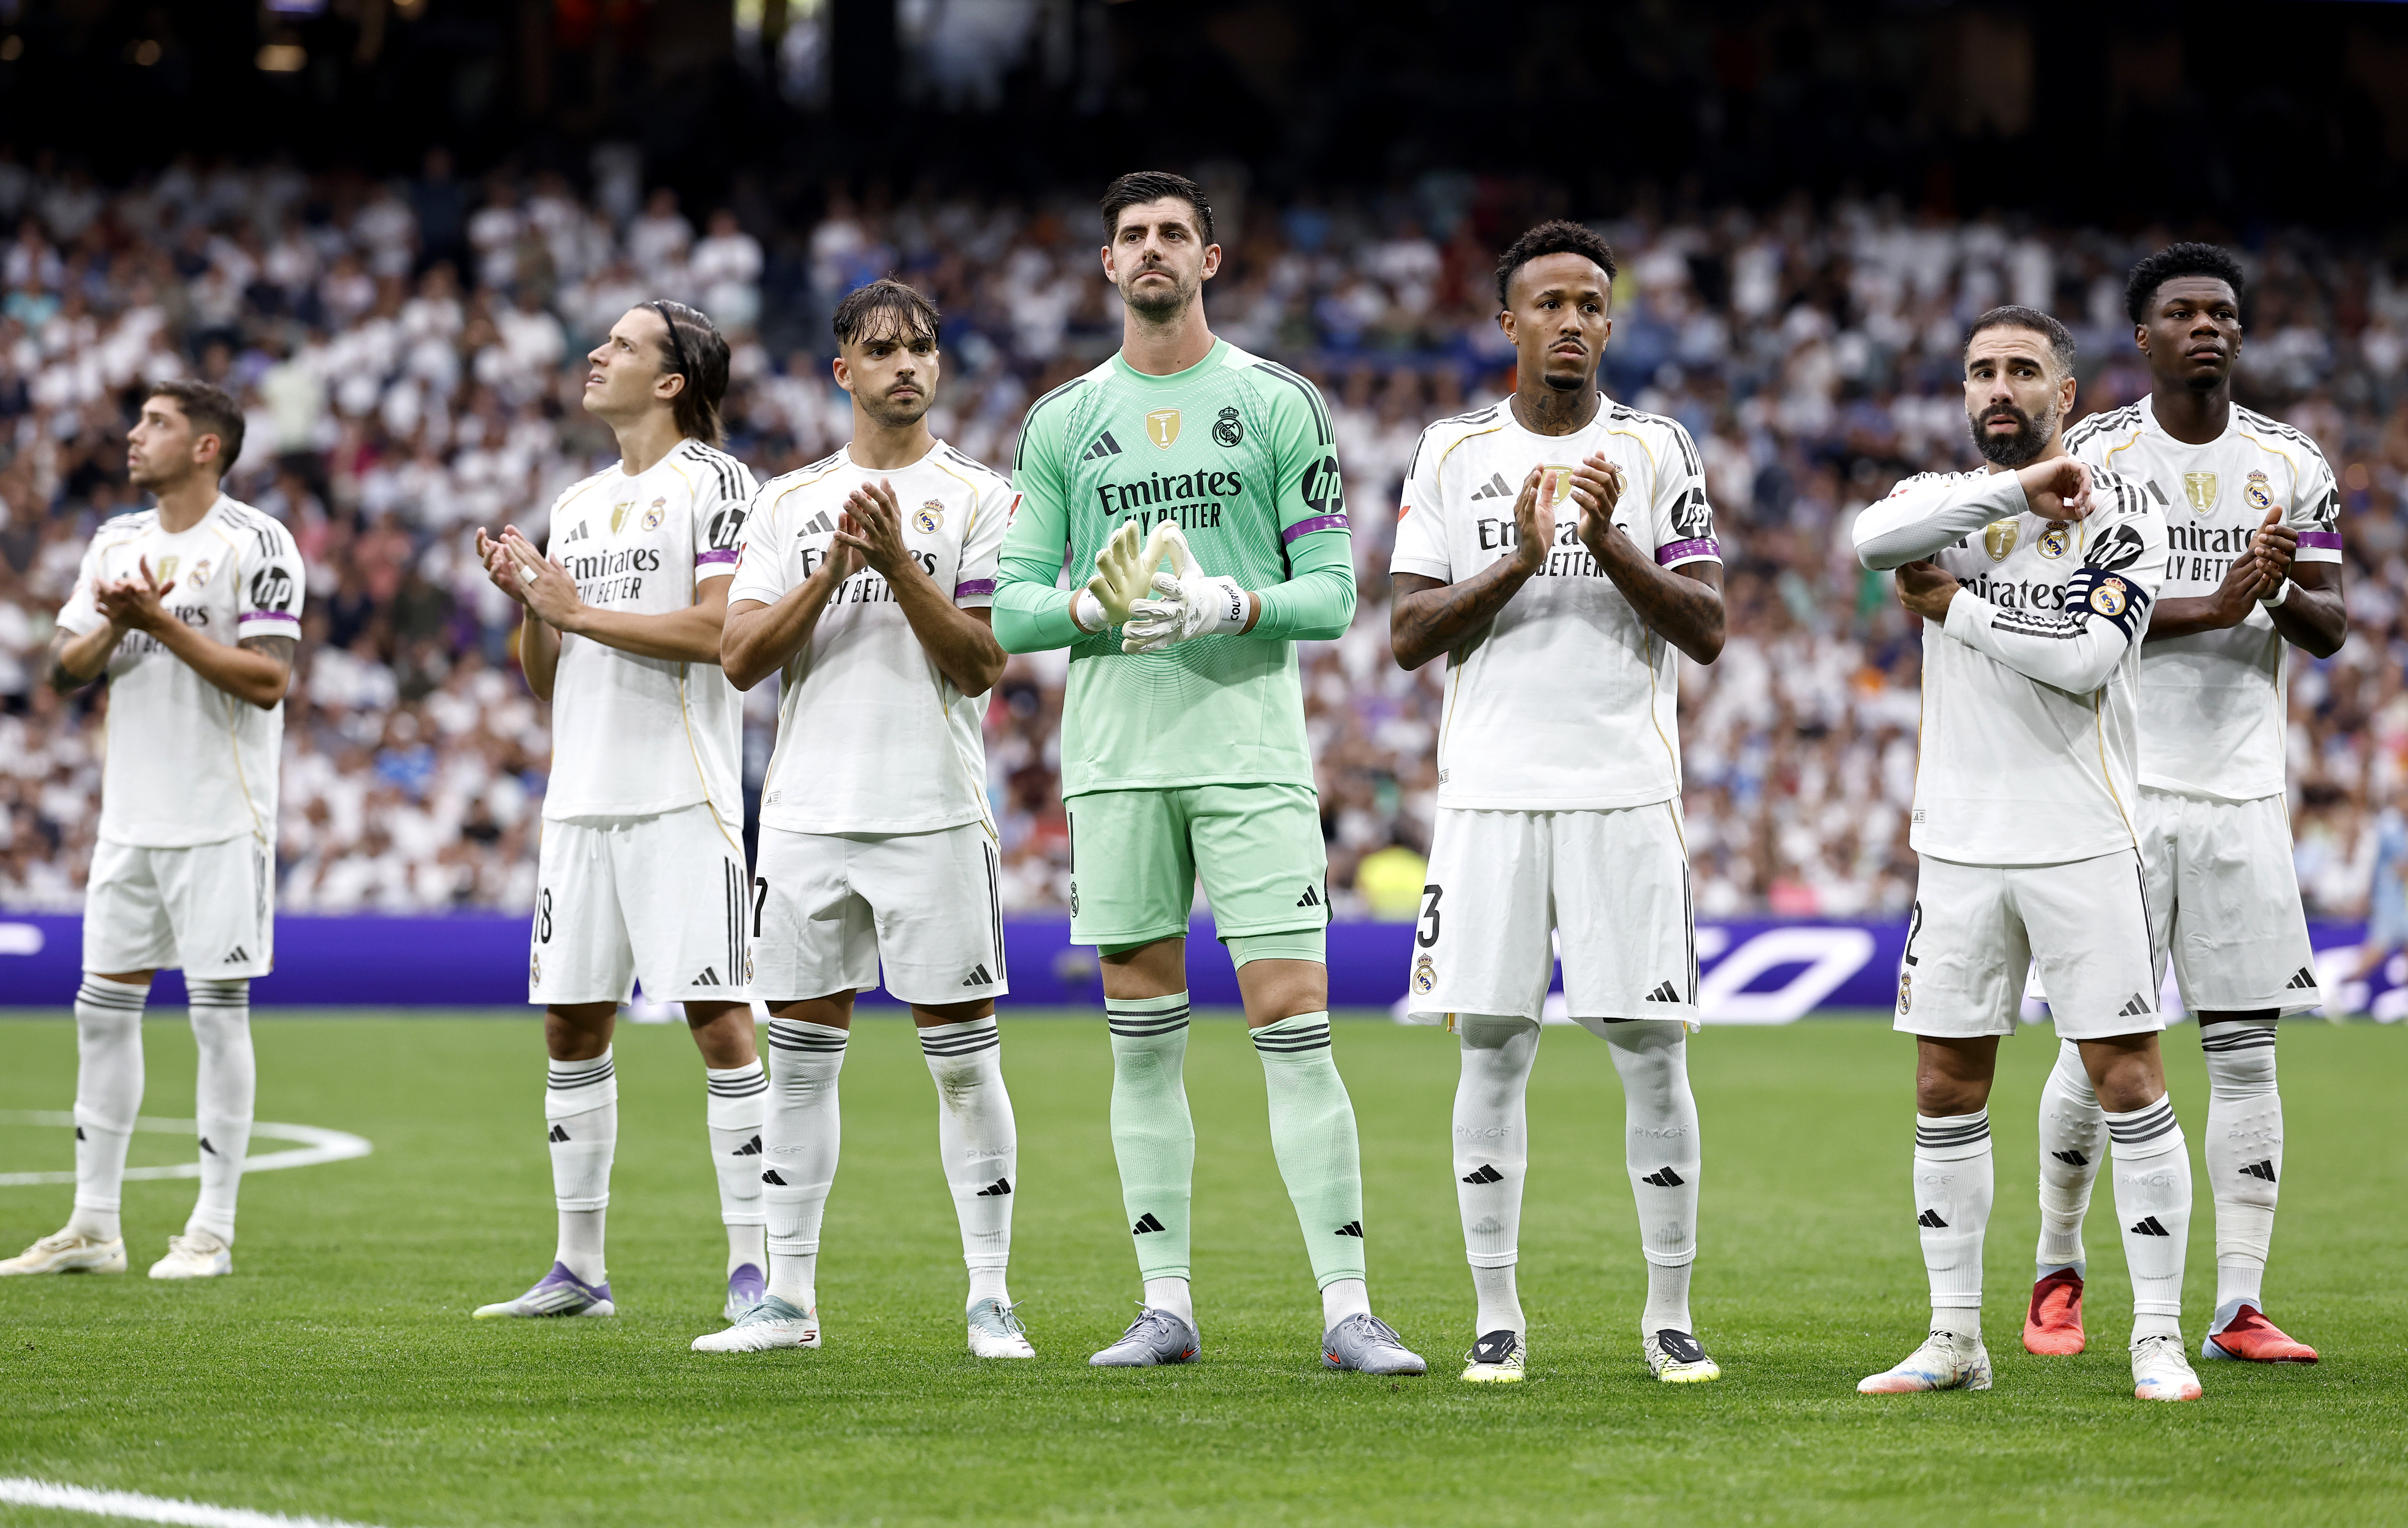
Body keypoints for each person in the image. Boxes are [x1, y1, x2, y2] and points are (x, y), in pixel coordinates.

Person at [992, 171, 1423, 1376]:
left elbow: (1334, 595)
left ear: (1210, 259)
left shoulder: (1278, 402)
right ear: (1107, 262)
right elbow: (1012, 610)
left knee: (1294, 1021)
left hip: (1249, 757)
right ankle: (1164, 1305)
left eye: (1173, 234)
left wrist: (1229, 602)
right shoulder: (1063, 420)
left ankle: (1348, 1309)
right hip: (1119, 765)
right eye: (1132, 234)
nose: (1153, 250)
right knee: (1142, 1043)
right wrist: (1092, 608)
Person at [1387, 220, 1727, 1385]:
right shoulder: (1450, 451)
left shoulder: (1658, 447)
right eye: (1550, 303)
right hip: (1490, 796)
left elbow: (1708, 627)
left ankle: (1670, 1316)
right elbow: (1407, 634)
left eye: (1590, 303)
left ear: (1610, 325)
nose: (1571, 321)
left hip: (1625, 793)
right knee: (1491, 1050)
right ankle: (1497, 1317)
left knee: (1652, 1054)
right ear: (1509, 324)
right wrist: (1524, 557)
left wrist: (1611, 538)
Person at [1850, 305, 2203, 1404]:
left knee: (2127, 1077)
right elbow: (1868, 542)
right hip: (1958, 844)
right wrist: (2014, 493)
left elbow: (2091, 657)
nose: (1998, 388)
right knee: (1945, 1085)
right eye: (1980, 372)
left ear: (2067, 393)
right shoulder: (1941, 502)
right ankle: (1955, 1337)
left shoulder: (2125, 513)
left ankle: (2157, 1337)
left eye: (2021, 370)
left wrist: (1955, 607)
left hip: (2082, 837)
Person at [696, 278, 1029, 1359]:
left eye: (921, 347)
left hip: (934, 811)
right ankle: (788, 1300)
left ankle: (990, 1297)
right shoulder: (789, 503)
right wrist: (836, 570)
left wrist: (894, 566)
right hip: (807, 816)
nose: (906, 364)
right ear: (844, 371)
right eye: (883, 349)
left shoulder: (983, 497)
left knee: (964, 1063)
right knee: (799, 1064)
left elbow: (982, 661)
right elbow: (740, 658)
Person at [2035, 244, 2345, 1365]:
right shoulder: (2098, 455)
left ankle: (2238, 1305)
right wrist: (2218, 603)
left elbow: (2331, 623)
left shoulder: (2291, 461)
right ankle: (2057, 1268)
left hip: (2243, 792)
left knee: (2247, 1050)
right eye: (2182, 312)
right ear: (2144, 337)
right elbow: (2066, 606)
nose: (2206, 326)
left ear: (2240, 335)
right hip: (2119, 788)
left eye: (2221, 312)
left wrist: (2278, 589)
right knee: (2097, 1047)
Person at [469, 301, 765, 1322]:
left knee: (718, 1020)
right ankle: (579, 1267)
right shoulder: (578, 500)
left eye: (625, 345)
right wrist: (533, 603)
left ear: (673, 381)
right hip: (581, 796)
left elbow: (722, 631)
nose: (598, 353)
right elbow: (550, 675)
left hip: (680, 792)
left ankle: (755, 1266)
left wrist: (579, 609)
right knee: (571, 1021)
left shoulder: (719, 484)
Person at [2, 381, 301, 1284]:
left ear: (208, 446)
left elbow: (268, 680)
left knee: (216, 1015)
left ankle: (211, 1230)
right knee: (101, 1012)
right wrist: (115, 627)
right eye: (139, 421)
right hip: (129, 818)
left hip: (222, 818)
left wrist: (158, 622)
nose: (135, 435)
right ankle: (94, 1226)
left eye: (157, 423)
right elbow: (63, 672)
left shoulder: (257, 542)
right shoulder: (115, 542)